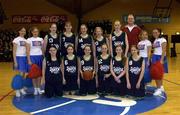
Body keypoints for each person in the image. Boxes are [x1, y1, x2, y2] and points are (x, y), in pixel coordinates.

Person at [27, 27, 44, 95]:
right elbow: (27, 51)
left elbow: (42, 49)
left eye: (36, 31)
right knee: (34, 74)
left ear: (38, 32)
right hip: (32, 57)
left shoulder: (41, 39)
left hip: (40, 57)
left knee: (39, 74)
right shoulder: (29, 40)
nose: (35, 33)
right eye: (34, 31)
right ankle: (35, 89)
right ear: (32, 32)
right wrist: (29, 60)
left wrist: (43, 58)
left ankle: (39, 88)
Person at [12, 27, 28, 97]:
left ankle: (21, 87)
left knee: (23, 74)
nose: (23, 32)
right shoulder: (16, 40)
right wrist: (15, 61)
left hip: (24, 58)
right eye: (21, 31)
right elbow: (14, 51)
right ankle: (17, 90)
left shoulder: (25, 40)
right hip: (19, 58)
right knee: (19, 75)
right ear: (19, 31)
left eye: (24, 31)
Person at [152, 28, 168, 96]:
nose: (154, 34)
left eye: (156, 32)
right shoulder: (155, 40)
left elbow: (164, 50)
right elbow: (155, 49)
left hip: (160, 57)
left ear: (159, 33)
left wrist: (161, 59)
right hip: (155, 57)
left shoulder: (163, 40)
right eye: (153, 32)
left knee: (159, 74)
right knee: (156, 73)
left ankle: (159, 88)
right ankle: (160, 87)